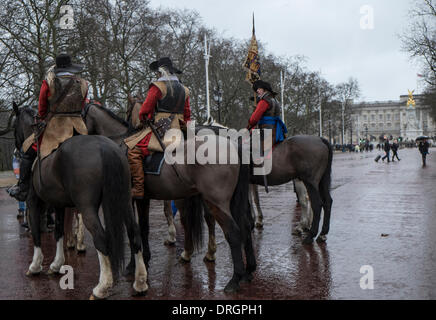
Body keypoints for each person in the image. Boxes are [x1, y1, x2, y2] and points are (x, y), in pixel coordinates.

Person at [8, 54, 88, 201]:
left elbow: (42, 108)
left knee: (28, 152)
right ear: (71, 67)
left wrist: (44, 117)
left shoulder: (49, 83)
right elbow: (82, 106)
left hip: (56, 129)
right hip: (79, 128)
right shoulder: (82, 83)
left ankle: (23, 188)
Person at [124, 57, 191, 199]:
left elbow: (144, 110)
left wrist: (143, 120)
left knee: (133, 151)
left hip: (162, 129)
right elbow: (187, 114)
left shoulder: (158, 87)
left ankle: (138, 188)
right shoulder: (185, 90)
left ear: (160, 73)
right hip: (179, 129)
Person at [246, 80, 287, 155]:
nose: (257, 91)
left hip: (265, 130)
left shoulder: (264, 101)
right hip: (275, 129)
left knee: (246, 146)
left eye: (258, 89)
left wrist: (249, 124)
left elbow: (254, 119)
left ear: (264, 89)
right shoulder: (275, 100)